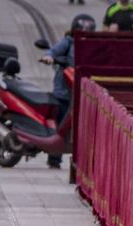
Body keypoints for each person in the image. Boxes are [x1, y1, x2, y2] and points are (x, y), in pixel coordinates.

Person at [38, 13, 94, 167]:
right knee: (61, 123)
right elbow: (53, 51)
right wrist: (49, 57)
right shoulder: (68, 42)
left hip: (84, 93)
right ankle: (54, 158)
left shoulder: (92, 46)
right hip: (64, 92)